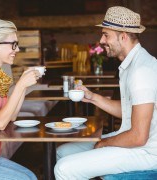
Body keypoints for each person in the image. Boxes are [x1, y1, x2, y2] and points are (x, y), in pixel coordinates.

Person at [54, 6, 157, 179]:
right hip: (136, 142)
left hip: (147, 152)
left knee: (63, 169)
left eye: (106, 35)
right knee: (63, 151)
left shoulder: (141, 70)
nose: (101, 40)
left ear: (123, 37)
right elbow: (128, 111)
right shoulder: (131, 65)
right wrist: (92, 97)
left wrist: (104, 143)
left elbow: (139, 136)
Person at [0, 19, 39, 179]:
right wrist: (19, 86)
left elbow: (11, 117)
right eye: (13, 44)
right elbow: (0, 122)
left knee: (30, 176)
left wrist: (23, 85)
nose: (17, 49)